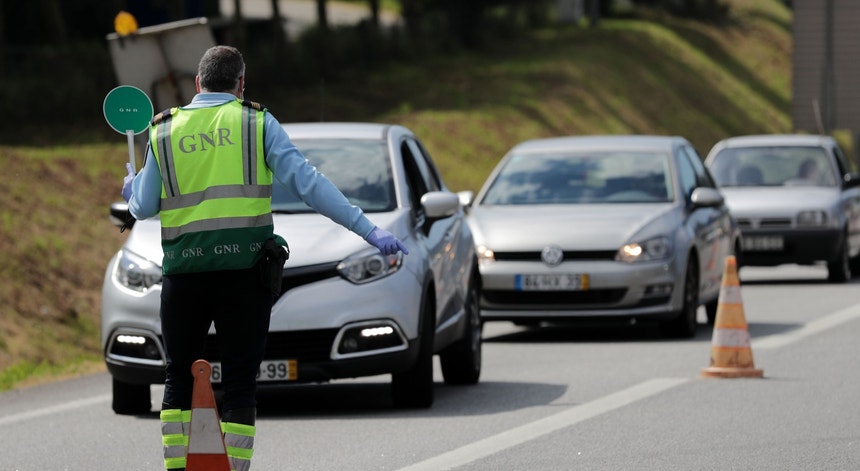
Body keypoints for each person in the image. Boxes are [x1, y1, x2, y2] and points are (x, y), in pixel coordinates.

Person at [121, 45, 407, 471]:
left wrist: (133, 188)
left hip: (185, 277)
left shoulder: (163, 130)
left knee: (178, 375)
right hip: (244, 277)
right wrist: (369, 230)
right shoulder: (256, 123)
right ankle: (234, 468)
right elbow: (310, 184)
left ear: (197, 83)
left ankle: (178, 468)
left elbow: (143, 209)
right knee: (239, 383)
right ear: (240, 84)